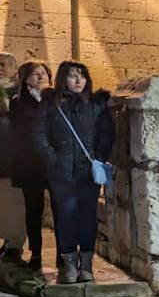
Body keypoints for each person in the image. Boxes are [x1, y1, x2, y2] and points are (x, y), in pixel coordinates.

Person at [32, 61, 114, 284]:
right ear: (63, 79)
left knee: (88, 217)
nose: (78, 81)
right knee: (66, 217)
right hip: (62, 172)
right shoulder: (52, 105)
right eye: (72, 76)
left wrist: (98, 157)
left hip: (88, 172)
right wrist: (54, 160)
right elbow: (39, 135)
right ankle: (68, 264)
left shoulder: (96, 105)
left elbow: (106, 134)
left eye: (82, 76)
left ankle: (86, 263)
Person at [9, 62, 52, 273]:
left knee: (60, 210)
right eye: (35, 74)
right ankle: (36, 253)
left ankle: (65, 254)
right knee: (33, 211)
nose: (40, 76)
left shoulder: (56, 99)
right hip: (31, 165)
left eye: (43, 73)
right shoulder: (18, 103)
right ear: (25, 79)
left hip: (53, 165)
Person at [0, 53, 24, 263]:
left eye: (3, 65)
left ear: (14, 69)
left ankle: (14, 244)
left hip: (13, 158)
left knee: (14, 204)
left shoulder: (20, 92)